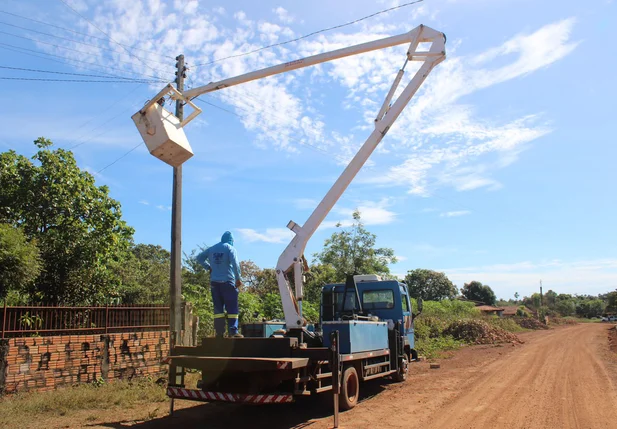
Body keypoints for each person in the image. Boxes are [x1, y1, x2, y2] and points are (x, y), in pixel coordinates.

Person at [196, 231, 243, 338]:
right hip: (228, 282)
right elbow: (235, 264)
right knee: (232, 308)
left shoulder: (212, 249)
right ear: (231, 240)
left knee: (218, 310)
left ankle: (219, 333)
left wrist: (208, 267)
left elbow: (199, 258)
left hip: (214, 284)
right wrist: (238, 278)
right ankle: (233, 332)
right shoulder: (230, 249)